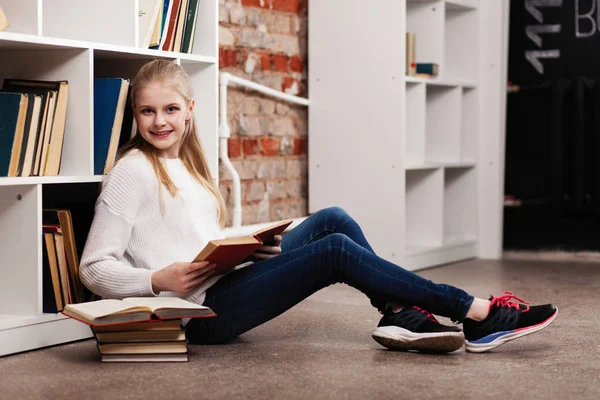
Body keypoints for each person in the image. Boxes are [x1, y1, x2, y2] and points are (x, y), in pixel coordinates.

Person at [80, 59, 558, 354]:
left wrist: (248, 248)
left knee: (332, 218)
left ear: (189, 109)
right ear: (135, 114)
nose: (159, 121)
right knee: (334, 250)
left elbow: (194, 241)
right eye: (147, 111)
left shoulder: (193, 169)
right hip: (198, 315)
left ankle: (400, 313)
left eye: (169, 110)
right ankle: (477, 314)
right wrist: (154, 279)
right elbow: (93, 267)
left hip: (221, 284)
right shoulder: (133, 170)